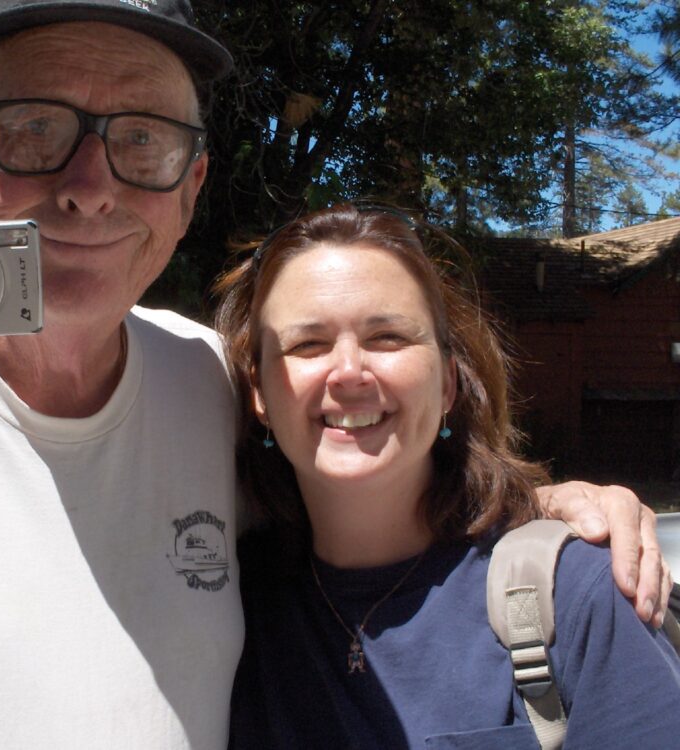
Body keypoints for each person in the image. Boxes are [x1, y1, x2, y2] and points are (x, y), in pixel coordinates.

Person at [0, 2, 667, 748]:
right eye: (37, 127)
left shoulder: (207, 380)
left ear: (191, 187)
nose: (89, 189)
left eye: (141, 140)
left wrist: (546, 511)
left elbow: (366, 469)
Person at [215, 204, 680, 748]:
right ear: (260, 394)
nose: (348, 372)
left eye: (387, 336)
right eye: (307, 345)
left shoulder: (581, 598)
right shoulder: (223, 602)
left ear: (447, 384)